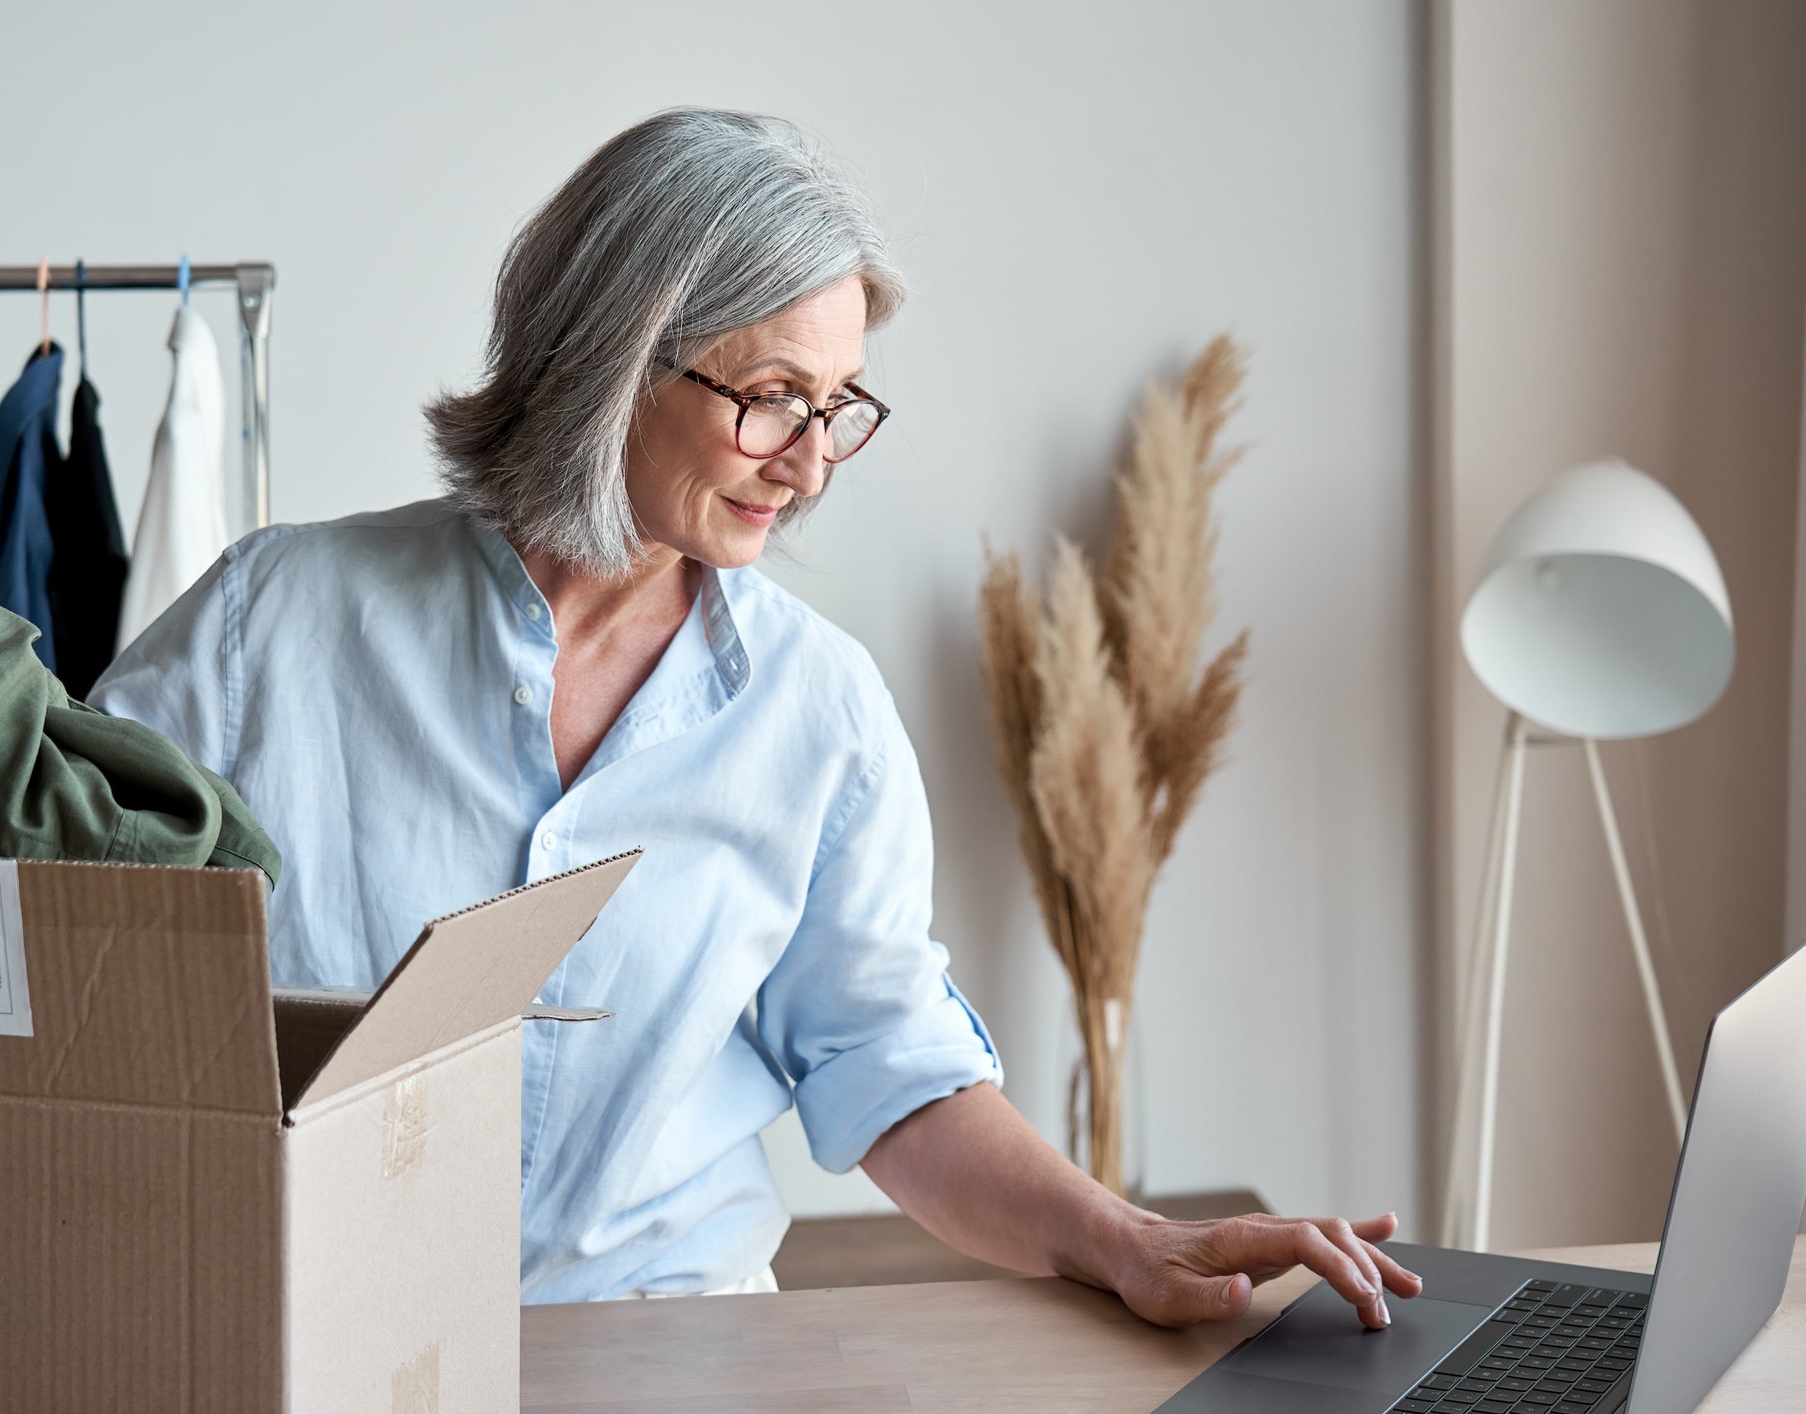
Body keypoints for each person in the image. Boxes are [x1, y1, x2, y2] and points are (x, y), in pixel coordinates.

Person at [90, 106, 1421, 1326]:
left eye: (836, 408)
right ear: (610, 358)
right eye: (772, 395)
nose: (808, 460)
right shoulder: (276, 622)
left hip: (675, 1348)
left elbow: (889, 1068)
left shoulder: (817, 710)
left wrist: (1127, 1236)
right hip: (312, 1341)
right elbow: (72, 952)